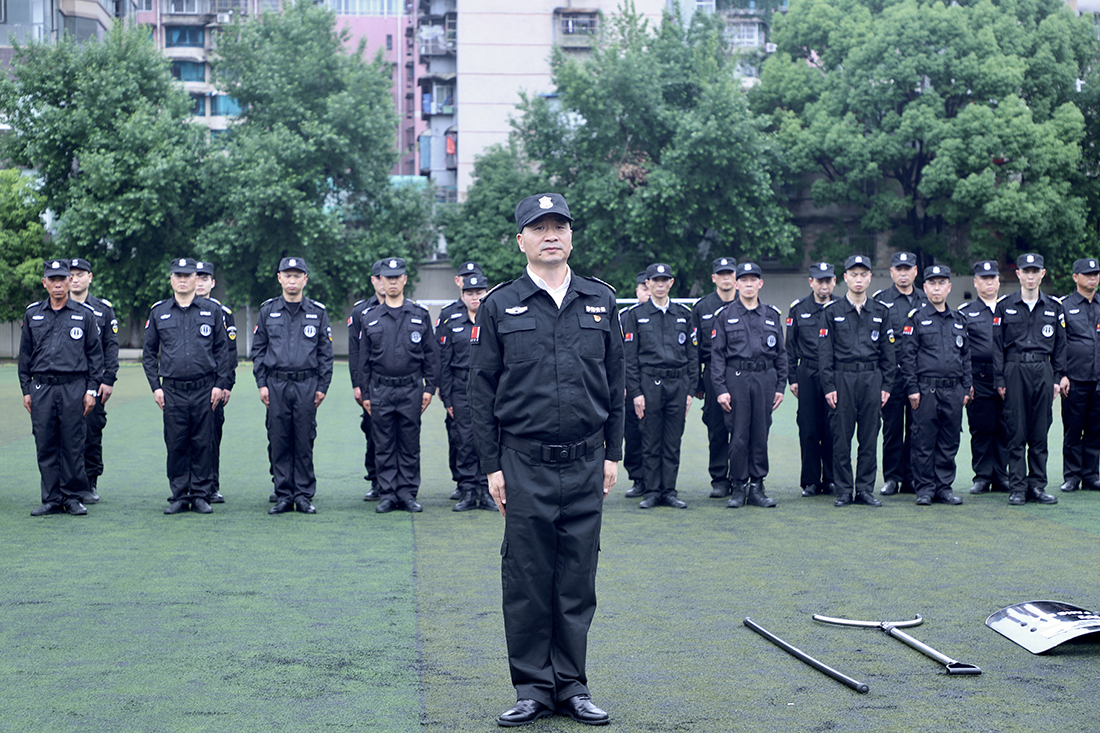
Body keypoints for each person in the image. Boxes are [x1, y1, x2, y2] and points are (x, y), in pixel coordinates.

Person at [468, 192, 623, 727]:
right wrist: (492, 466)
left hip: (586, 461)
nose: (550, 235)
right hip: (523, 464)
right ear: (521, 241)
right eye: (538, 227)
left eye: (559, 226)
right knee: (528, 578)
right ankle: (533, 688)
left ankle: (573, 686)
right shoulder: (499, 305)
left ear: (571, 236)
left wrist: (613, 454)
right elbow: (480, 391)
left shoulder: (601, 300)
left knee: (577, 578)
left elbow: (617, 383)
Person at [142, 258, 234, 514]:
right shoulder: (159, 312)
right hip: (172, 390)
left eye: (188, 275)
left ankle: (201, 494)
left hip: (205, 389)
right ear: (171, 279)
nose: (182, 280)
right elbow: (149, 354)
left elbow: (222, 351)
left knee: (203, 443)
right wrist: (155, 387)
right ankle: (180, 495)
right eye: (178, 275)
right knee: (176, 443)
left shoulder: (212, 310)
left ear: (196, 278)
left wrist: (220, 384)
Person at [19, 259, 104, 516]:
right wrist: (26, 390)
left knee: (73, 444)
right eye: (52, 279)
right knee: (45, 444)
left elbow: (95, 356)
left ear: (69, 281)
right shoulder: (33, 314)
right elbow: (25, 356)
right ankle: (52, 498)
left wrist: (91, 390)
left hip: (73, 388)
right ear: (44, 283)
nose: (58, 284)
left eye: (62, 279)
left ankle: (72, 497)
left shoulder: (84, 314)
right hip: (42, 388)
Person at [251, 257, 334, 515]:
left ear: (305, 279)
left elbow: (325, 353)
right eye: (287, 275)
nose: (292, 280)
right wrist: (262, 383)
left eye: (297, 275)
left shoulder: (317, 312)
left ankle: (304, 495)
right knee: (279, 439)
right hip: (275, 384)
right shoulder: (268, 311)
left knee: (304, 440)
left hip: (306, 384)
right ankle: (284, 495)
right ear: (279, 278)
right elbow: (259, 349)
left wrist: (322, 386)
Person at [357, 257, 438, 514]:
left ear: (404, 279)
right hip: (381, 390)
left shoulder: (419, 315)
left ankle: (407, 493)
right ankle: (388, 494)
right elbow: (363, 361)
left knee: (409, 444)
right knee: (383, 444)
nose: (392, 282)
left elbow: (431, 355)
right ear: (380, 280)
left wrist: (429, 388)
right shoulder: (370, 317)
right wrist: (365, 393)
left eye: (397, 277)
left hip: (411, 389)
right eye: (387, 278)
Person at [820, 255, 896, 508]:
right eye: (854, 274)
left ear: (870, 278)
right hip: (843, 379)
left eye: (863, 274)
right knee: (841, 438)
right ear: (845, 278)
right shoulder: (832, 312)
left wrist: (886, 386)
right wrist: (829, 386)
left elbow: (888, 353)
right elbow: (825, 353)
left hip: (871, 379)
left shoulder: (881, 312)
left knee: (869, 438)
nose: (859, 279)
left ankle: (864, 489)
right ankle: (844, 490)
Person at [620, 263, 696, 509]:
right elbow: (630, 358)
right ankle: (652, 492)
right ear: (648, 283)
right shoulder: (636, 315)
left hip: (678, 384)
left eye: (665, 280)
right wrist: (636, 392)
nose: (660, 285)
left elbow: (693, 356)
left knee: (672, 441)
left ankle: (669, 491)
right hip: (649, 384)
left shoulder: (683, 314)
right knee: (651, 440)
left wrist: (690, 391)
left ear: (671, 283)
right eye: (655, 280)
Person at [711, 262, 786, 508]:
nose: (749, 284)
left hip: (765, 379)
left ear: (760, 283)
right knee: (739, 435)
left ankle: (757, 486)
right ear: (736, 284)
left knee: (760, 434)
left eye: (753, 280)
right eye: (744, 280)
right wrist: (721, 389)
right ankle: (738, 486)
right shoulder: (725, 316)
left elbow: (781, 354)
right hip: (737, 379)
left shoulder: (771, 315)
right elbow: (717, 356)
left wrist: (780, 387)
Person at [992, 253, 1064, 506]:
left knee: (1039, 431)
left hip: (1043, 370)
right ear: (1018, 274)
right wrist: (999, 379)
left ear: (1042, 274)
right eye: (1026, 271)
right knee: (1016, 430)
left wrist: (1057, 377)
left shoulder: (1054, 307)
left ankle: (1037, 486)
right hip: (1015, 369)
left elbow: (1061, 346)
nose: (1030, 276)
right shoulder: (1005, 305)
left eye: (1035, 271)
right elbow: (997, 346)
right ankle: (1018, 488)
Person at [899, 265, 971, 506]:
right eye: (932, 283)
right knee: (924, 441)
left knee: (949, 441)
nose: (937, 288)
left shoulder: (959, 320)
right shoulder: (916, 319)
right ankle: (925, 489)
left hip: (953, 390)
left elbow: (966, 356)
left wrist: (966, 387)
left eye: (941, 283)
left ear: (949, 287)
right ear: (925, 287)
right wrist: (912, 388)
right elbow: (907, 357)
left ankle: (944, 488)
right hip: (926, 390)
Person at [439, 273, 496, 511]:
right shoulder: (452, 320)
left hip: (489, 388)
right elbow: (443, 361)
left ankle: (486, 490)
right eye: (469, 293)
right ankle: (467, 490)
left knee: (488, 439)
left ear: (486, 293)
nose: (474, 297)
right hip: (460, 388)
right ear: (462, 295)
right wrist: (447, 397)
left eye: (479, 292)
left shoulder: (493, 318)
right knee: (464, 440)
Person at [874, 251, 925, 495]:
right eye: (899, 269)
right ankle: (892, 478)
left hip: (918, 376)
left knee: (917, 428)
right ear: (891, 272)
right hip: (891, 376)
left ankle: (912, 478)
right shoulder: (880, 300)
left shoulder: (925, 299)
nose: (903, 273)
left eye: (908, 269)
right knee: (892, 428)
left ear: (915, 271)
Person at [67, 257, 118, 505]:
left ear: (90, 277)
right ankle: (65, 484)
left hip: (94, 382)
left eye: (80, 274)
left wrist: (108, 380)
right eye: (71, 274)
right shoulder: (56, 307)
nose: (75, 279)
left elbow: (111, 347)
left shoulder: (103, 310)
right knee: (64, 434)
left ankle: (90, 481)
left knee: (92, 433)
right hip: (64, 383)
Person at [786, 262, 836, 498]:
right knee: (808, 428)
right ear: (811, 282)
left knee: (832, 428)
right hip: (807, 372)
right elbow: (790, 346)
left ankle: (832, 479)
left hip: (834, 375)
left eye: (828, 280)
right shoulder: (798, 309)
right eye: (819, 281)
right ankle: (811, 481)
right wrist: (792, 378)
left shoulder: (841, 307)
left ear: (834, 282)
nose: (823, 285)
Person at [959, 261, 1010, 495]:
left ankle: (1001, 475)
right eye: (984, 278)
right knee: (981, 428)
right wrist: (966, 381)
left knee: (1004, 427)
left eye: (992, 278)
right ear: (975, 282)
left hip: (1006, 377)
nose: (989, 283)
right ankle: (982, 476)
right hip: (978, 377)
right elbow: (961, 350)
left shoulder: (1009, 308)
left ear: (998, 281)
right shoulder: (965, 312)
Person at [691, 256, 738, 498]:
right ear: (714, 278)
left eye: (730, 273)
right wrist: (698, 382)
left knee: (741, 428)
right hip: (712, 372)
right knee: (717, 428)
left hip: (740, 371)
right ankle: (719, 479)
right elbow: (694, 348)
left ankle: (740, 477)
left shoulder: (746, 302)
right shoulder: (702, 307)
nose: (726, 278)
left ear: (736, 277)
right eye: (721, 274)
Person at [193, 260, 238, 503]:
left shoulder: (223, 313)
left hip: (214, 386)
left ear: (212, 282)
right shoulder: (180, 309)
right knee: (185, 437)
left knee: (211, 437)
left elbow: (230, 353)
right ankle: (188, 486)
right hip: (186, 385)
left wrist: (227, 384)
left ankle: (211, 485)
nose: (199, 283)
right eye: (196, 278)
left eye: (204, 279)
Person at [1058, 258, 1100, 492]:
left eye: (1095, 274)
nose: (1093, 278)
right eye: (1087, 274)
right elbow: (1059, 343)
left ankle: (1091, 475)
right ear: (1075, 277)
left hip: (1098, 379)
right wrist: (1062, 374)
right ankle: (1072, 475)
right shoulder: (1064, 306)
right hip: (1074, 379)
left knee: (1095, 429)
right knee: (1073, 430)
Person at [348, 260, 383, 501]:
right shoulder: (360, 311)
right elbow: (354, 351)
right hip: (371, 383)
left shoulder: (409, 309)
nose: (384, 282)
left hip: (399, 383)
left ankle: (400, 484)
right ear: (373, 280)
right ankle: (376, 480)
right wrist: (357, 385)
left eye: (388, 277)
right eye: (379, 277)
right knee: (373, 432)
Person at [621, 271, 650, 498]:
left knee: (656, 434)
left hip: (656, 382)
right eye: (644, 288)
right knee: (632, 434)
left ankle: (657, 480)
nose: (648, 293)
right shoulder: (624, 316)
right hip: (630, 385)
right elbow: (615, 353)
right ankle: (638, 478)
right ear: (637, 290)